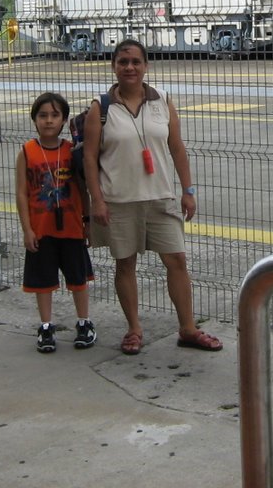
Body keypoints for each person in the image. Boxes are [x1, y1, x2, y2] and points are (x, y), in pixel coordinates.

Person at [83, 39, 222, 355]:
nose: (129, 68)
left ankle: (187, 328)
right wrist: (98, 202)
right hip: (119, 200)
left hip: (161, 197)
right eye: (122, 62)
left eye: (135, 62)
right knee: (125, 264)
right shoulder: (100, 108)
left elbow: (177, 148)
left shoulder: (162, 101)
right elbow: (89, 158)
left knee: (177, 260)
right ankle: (133, 329)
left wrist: (188, 191)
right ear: (113, 66)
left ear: (145, 66)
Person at [15, 92, 95, 353]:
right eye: (42, 115)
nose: (48, 121)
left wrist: (87, 221)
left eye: (54, 115)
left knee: (78, 278)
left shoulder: (71, 151)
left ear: (63, 120)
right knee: (43, 281)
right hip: (42, 228)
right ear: (34, 119)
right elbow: (22, 193)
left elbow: (83, 188)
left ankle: (84, 322)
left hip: (71, 227)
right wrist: (27, 229)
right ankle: (46, 326)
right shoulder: (27, 152)